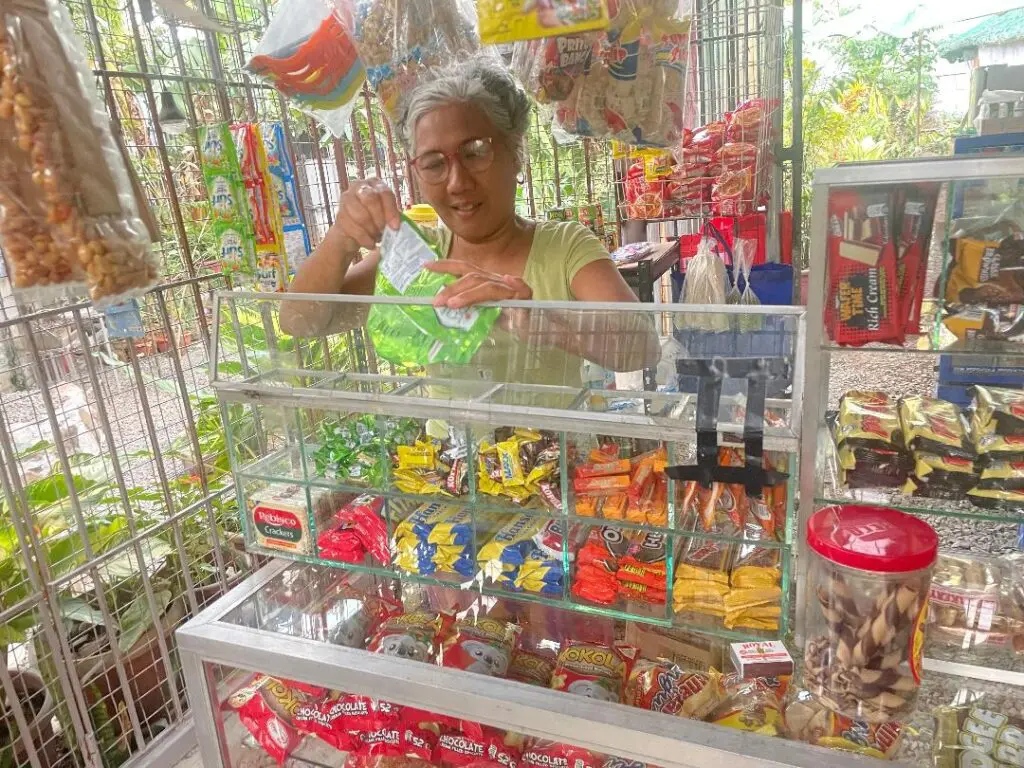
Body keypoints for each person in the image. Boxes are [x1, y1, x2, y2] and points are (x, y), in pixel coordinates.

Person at [282, 55, 660, 385]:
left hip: (553, 462)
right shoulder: (418, 257)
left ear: (516, 155)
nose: (457, 183)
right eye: (433, 163)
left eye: (476, 152)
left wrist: (545, 322)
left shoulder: (564, 247)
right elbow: (300, 323)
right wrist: (341, 238)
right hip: (449, 463)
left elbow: (642, 348)